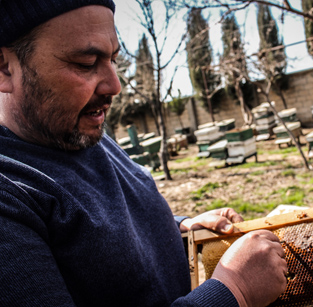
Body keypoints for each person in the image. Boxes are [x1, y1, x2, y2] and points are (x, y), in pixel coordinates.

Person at [0, 1, 287, 306]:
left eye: (113, 59)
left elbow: (99, 234)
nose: (115, 85)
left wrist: (176, 227)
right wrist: (233, 291)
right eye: (86, 63)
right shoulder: (9, 195)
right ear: (5, 67)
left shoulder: (79, 130)